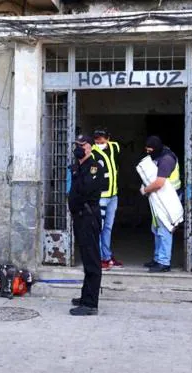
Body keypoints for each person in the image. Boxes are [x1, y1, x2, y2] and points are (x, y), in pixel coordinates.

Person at [68, 135, 106, 316]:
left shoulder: (93, 167)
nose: (78, 148)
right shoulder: (80, 166)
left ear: (90, 148)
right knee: (86, 258)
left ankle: (90, 304)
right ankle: (85, 296)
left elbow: (84, 190)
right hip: (80, 218)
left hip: (88, 218)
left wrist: (76, 173)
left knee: (92, 260)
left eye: (82, 145)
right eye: (76, 145)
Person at [140, 135, 182, 273]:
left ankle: (164, 262)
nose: (148, 153)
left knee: (165, 229)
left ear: (156, 149)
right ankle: (158, 258)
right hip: (159, 198)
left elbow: (159, 183)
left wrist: (145, 190)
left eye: (150, 150)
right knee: (156, 228)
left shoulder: (166, 159)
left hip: (169, 199)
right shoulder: (158, 155)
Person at [92, 128, 123, 270]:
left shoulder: (114, 147)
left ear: (108, 138)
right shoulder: (92, 152)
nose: (99, 141)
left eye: (102, 139)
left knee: (108, 228)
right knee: (99, 227)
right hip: (101, 197)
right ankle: (99, 258)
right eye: (97, 139)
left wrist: (108, 142)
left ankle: (107, 256)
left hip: (113, 195)